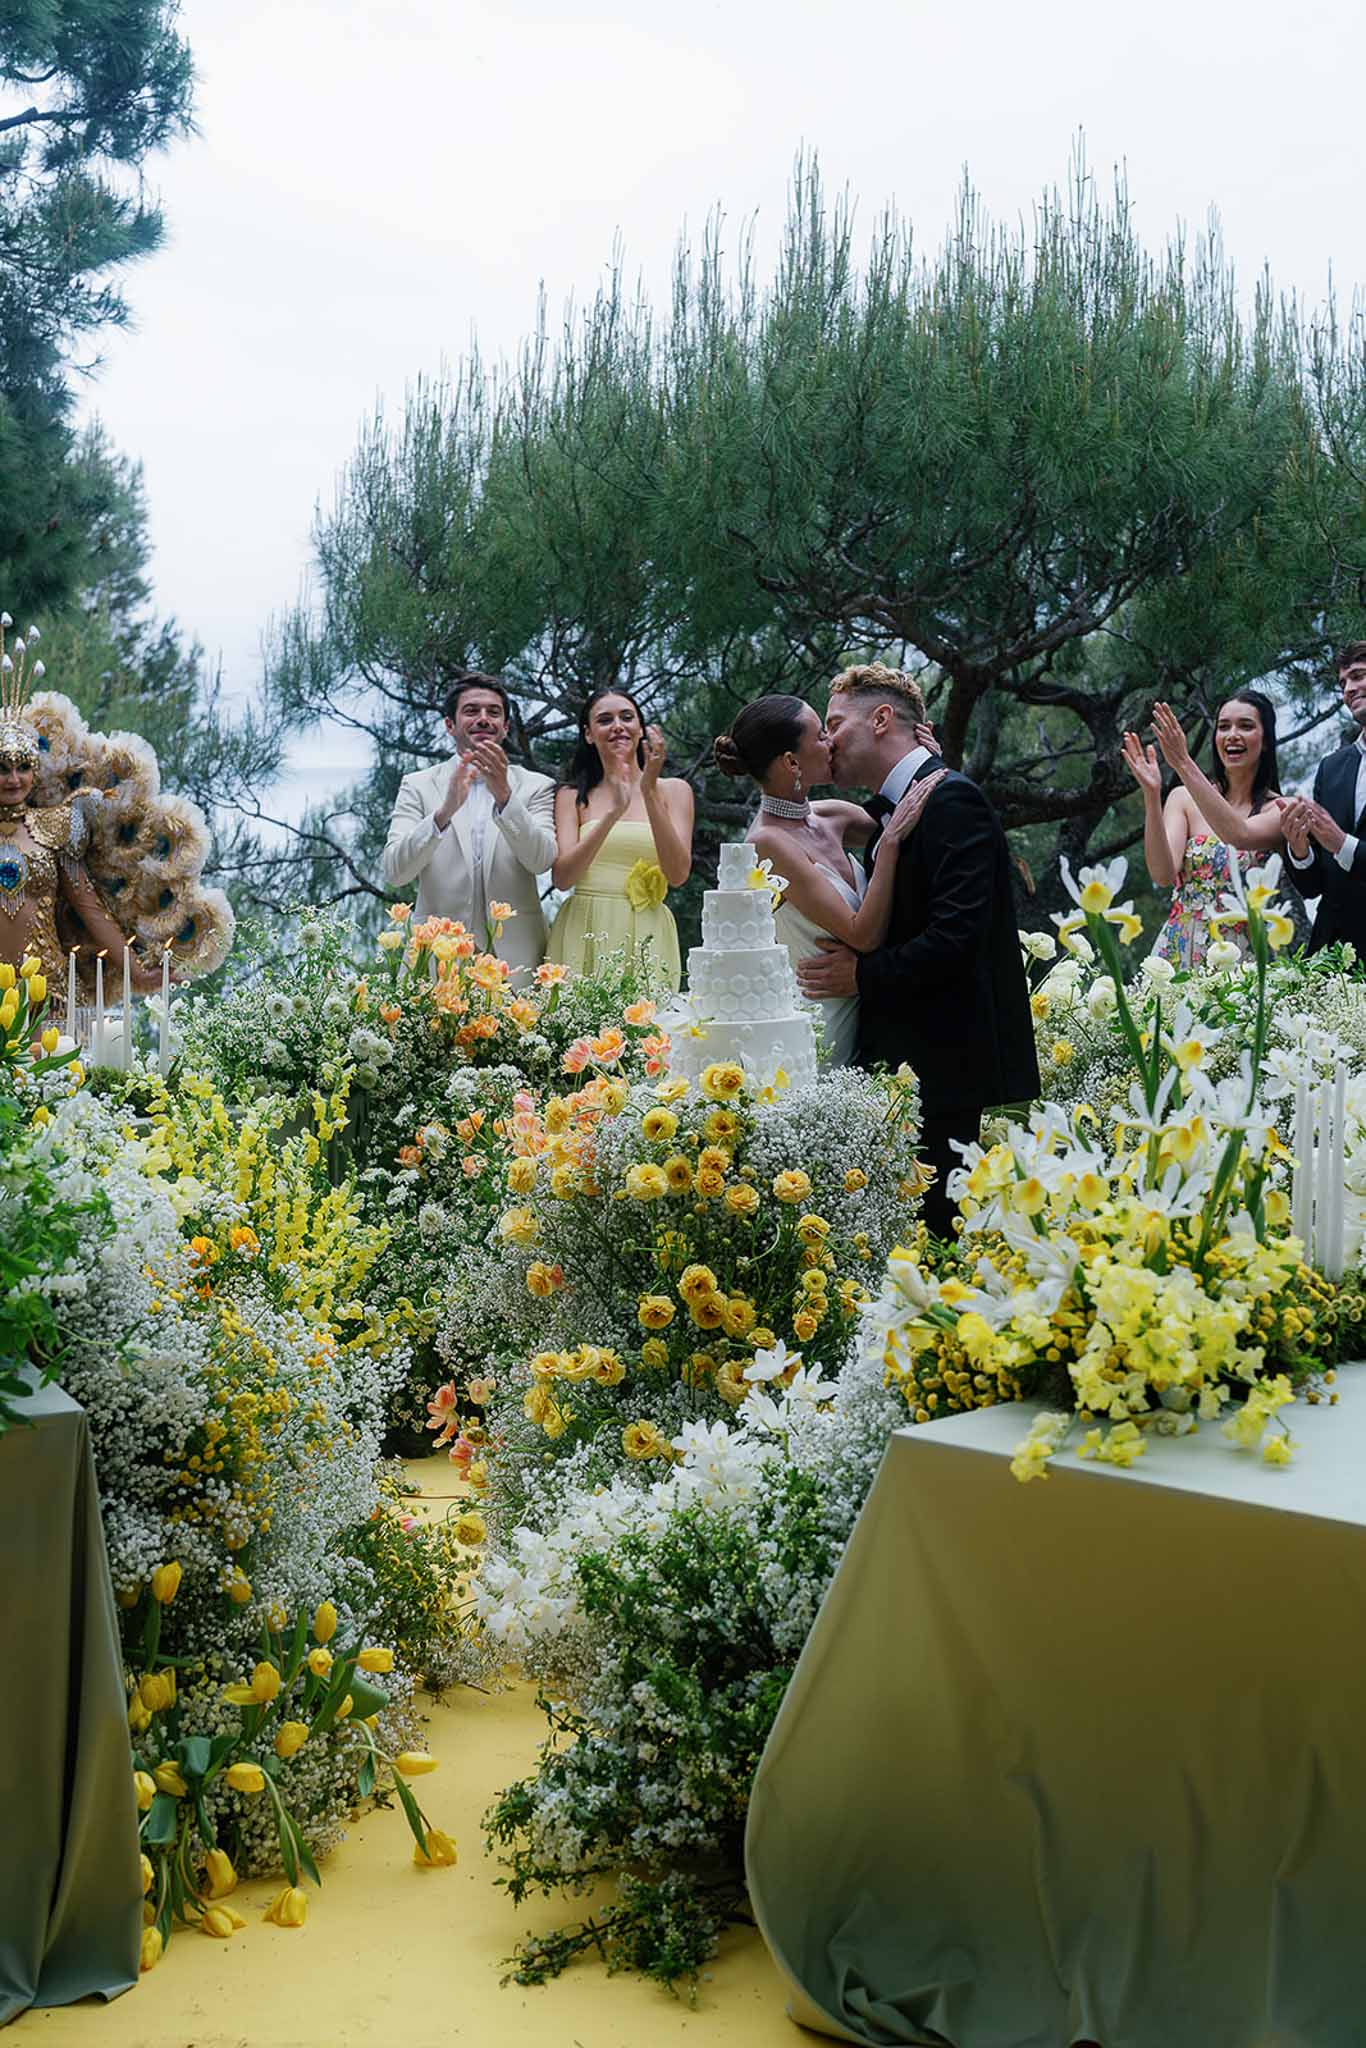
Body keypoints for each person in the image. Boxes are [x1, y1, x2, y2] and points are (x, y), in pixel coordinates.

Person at [796, 664, 1039, 1240]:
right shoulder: (900, 803)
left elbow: (958, 940)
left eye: (834, 724)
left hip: (944, 1063)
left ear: (882, 720)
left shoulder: (952, 799)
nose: (827, 741)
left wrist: (862, 975)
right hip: (908, 1059)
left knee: (938, 1237)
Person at [712, 695, 945, 1065]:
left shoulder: (834, 816)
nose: (832, 743)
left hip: (870, 1017)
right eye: (821, 736)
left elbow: (915, 823)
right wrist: (887, 845)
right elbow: (862, 933)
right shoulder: (767, 843)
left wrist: (925, 764)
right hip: (817, 1030)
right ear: (791, 762)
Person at [381, 673, 556, 973]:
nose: (484, 719)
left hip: (516, 964)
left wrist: (505, 798)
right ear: (450, 724)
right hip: (436, 961)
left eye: (494, 712)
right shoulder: (418, 785)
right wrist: (443, 813)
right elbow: (395, 872)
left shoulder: (536, 786)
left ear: (505, 727)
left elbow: (541, 861)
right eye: (472, 711)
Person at [1120, 693, 1286, 969]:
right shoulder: (1182, 798)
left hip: (1244, 954)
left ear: (1266, 739)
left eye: (1245, 726)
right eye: (1223, 726)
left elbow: (1239, 834)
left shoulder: (1280, 808)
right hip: (1180, 946)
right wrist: (1151, 795)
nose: (1232, 735)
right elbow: (1162, 875)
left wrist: (1184, 763)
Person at [545, 688, 693, 992]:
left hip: (648, 927)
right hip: (584, 925)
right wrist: (612, 815)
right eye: (604, 719)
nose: (617, 726)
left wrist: (649, 792)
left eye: (627, 717)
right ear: (589, 734)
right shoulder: (571, 797)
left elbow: (678, 874)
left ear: (640, 729)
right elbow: (562, 878)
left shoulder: (675, 790)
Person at [0, 729, 162, 993]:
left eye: (23, 767)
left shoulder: (57, 828)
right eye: (3, 769)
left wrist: (137, 972)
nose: (13, 779)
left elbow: (90, 909)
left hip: (45, 986)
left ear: (36, 772)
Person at [1281, 643, 1366, 954]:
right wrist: (1299, 849)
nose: (1349, 689)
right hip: (1332, 957)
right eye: (1343, 683)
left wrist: (1343, 844)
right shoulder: (1330, 768)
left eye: (1358, 676)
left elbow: (1339, 845)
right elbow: (1313, 887)